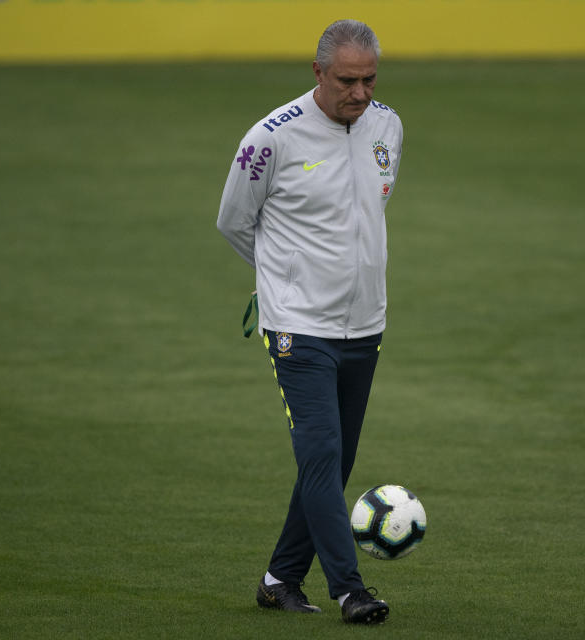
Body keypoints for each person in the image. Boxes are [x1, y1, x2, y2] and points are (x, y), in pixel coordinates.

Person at [216, 19, 403, 625]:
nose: (361, 92)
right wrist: (283, 282)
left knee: (335, 460)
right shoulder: (272, 138)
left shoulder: (388, 127)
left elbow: (368, 215)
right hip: (299, 326)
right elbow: (233, 221)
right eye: (348, 80)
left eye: (370, 78)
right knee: (321, 452)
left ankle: (279, 578)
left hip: (365, 324)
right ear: (318, 73)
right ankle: (350, 589)